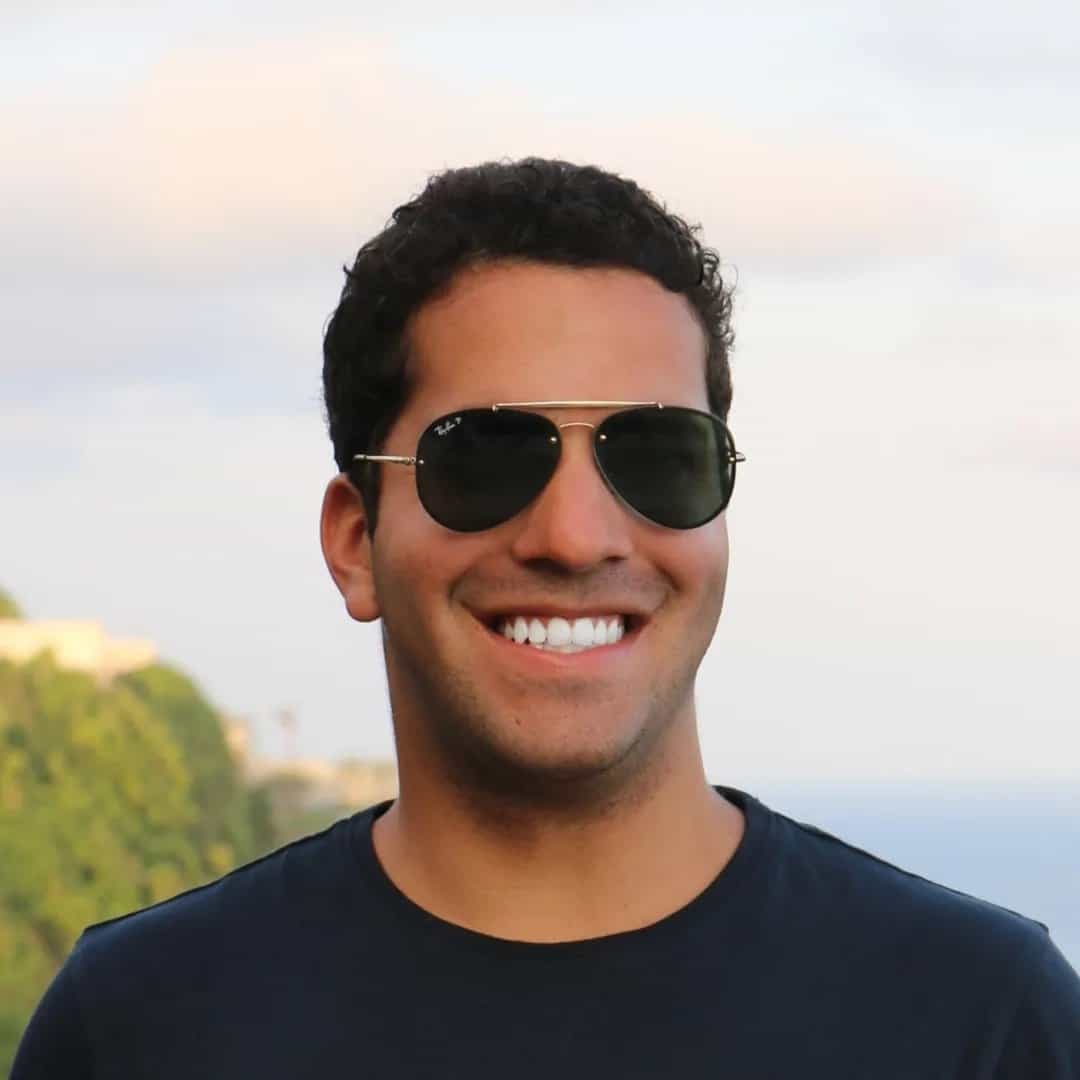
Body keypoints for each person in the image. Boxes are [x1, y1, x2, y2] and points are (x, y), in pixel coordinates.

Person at [13, 158, 1079, 1078]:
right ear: (355, 542)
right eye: (486, 457)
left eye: (657, 456)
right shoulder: (145, 1028)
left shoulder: (980, 1023)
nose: (576, 535)